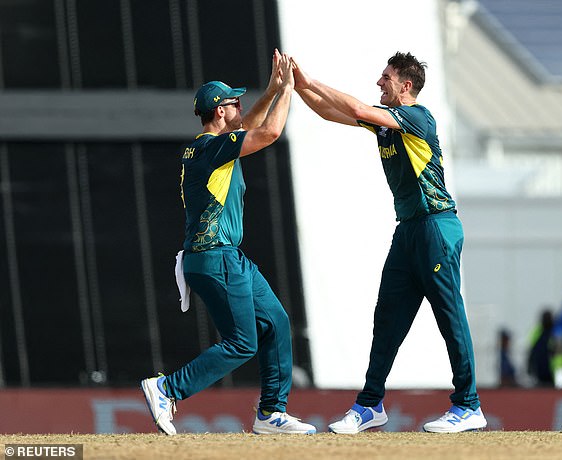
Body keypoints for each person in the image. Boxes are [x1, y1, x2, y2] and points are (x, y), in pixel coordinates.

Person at [292, 52, 486, 433]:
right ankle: (369, 405)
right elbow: (330, 113)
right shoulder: (388, 125)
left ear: (405, 85)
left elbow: (358, 106)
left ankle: (468, 405)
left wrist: (312, 80)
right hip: (410, 231)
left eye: (386, 77)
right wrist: (296, 86)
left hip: (436, 226)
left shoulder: (416, 117)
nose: (379, 82)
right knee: (387, 318)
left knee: (449, 316)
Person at [140, 50, 316, 435]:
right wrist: (287, 88)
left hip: (225, 257)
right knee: (241, 342)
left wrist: (270, 92)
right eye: (234, 103)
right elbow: (268, 133)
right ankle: (167, 388)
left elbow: (249, 126)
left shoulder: (209, 146)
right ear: (220, 112)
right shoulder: (210, 148)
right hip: (215, 257)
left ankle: (271, 413)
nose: (241, 106)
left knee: (276, 323)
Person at [527, 308, 556, 387]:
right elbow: (532, 351)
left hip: (553, 373)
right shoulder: (539, 333)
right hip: (542, 373)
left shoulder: (555, 332)